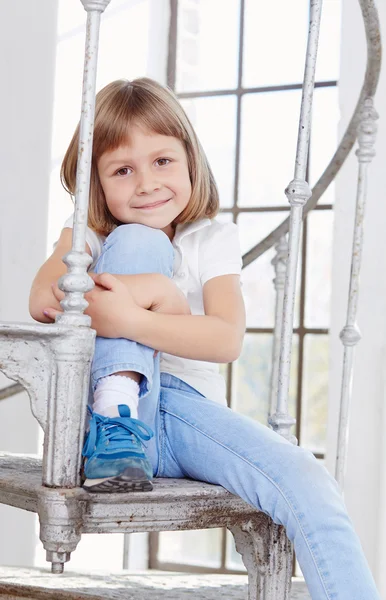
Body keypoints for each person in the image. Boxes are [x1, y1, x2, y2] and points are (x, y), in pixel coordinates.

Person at [29, 78, 380, 599]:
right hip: (106, 433)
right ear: (95, 187)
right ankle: (115, 416)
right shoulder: (90, 238)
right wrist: (92, 253)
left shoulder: (212, 238)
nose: (146, 183)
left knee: (311, 487)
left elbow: (224, 339)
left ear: (191, 160)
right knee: (134, 240)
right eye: (122, 170)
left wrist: (143, 308)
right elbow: (42, 300)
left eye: (163, 161)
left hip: (188, 414)